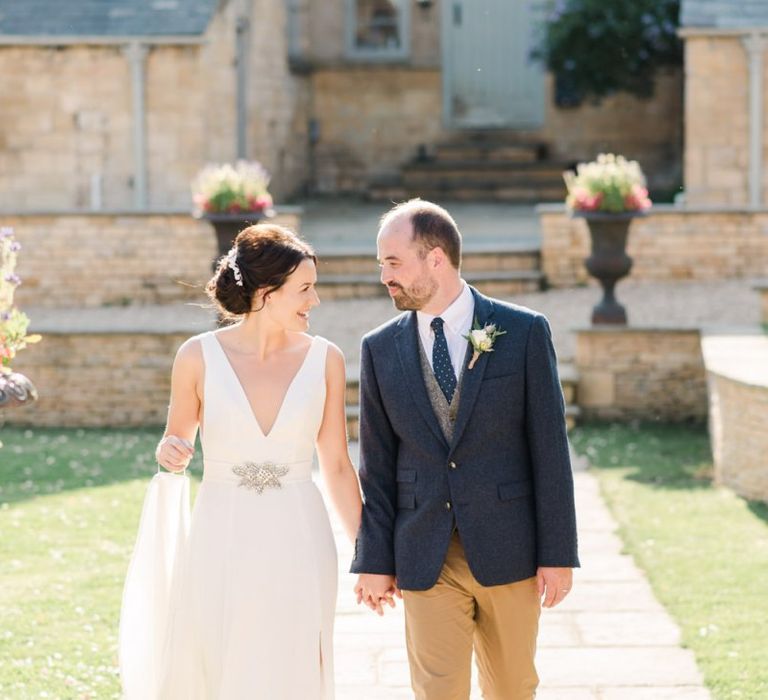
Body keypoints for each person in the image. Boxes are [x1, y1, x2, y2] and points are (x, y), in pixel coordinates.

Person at [351, 199, 579, 700]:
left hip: (510, 548)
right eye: (381, 264)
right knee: (437, 692)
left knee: (513, 687)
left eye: (393, 262)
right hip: (424, 551)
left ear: (435, 258)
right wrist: (374, 557)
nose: (384, 276)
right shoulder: (379, 348)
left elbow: (550, 450)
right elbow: (377, 466)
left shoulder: (522, 332)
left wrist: (558, 552)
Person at [123, 224, 361, 699]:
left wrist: (369, 550)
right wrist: (169, 451)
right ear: (267, 293)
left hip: (300, 534)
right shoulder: (197, 357)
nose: (314, 302)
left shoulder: (326, 359)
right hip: (221, 532)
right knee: (219, 656)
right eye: (305, 289)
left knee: (298, 663)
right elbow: (175, 441)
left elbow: (335, 464)